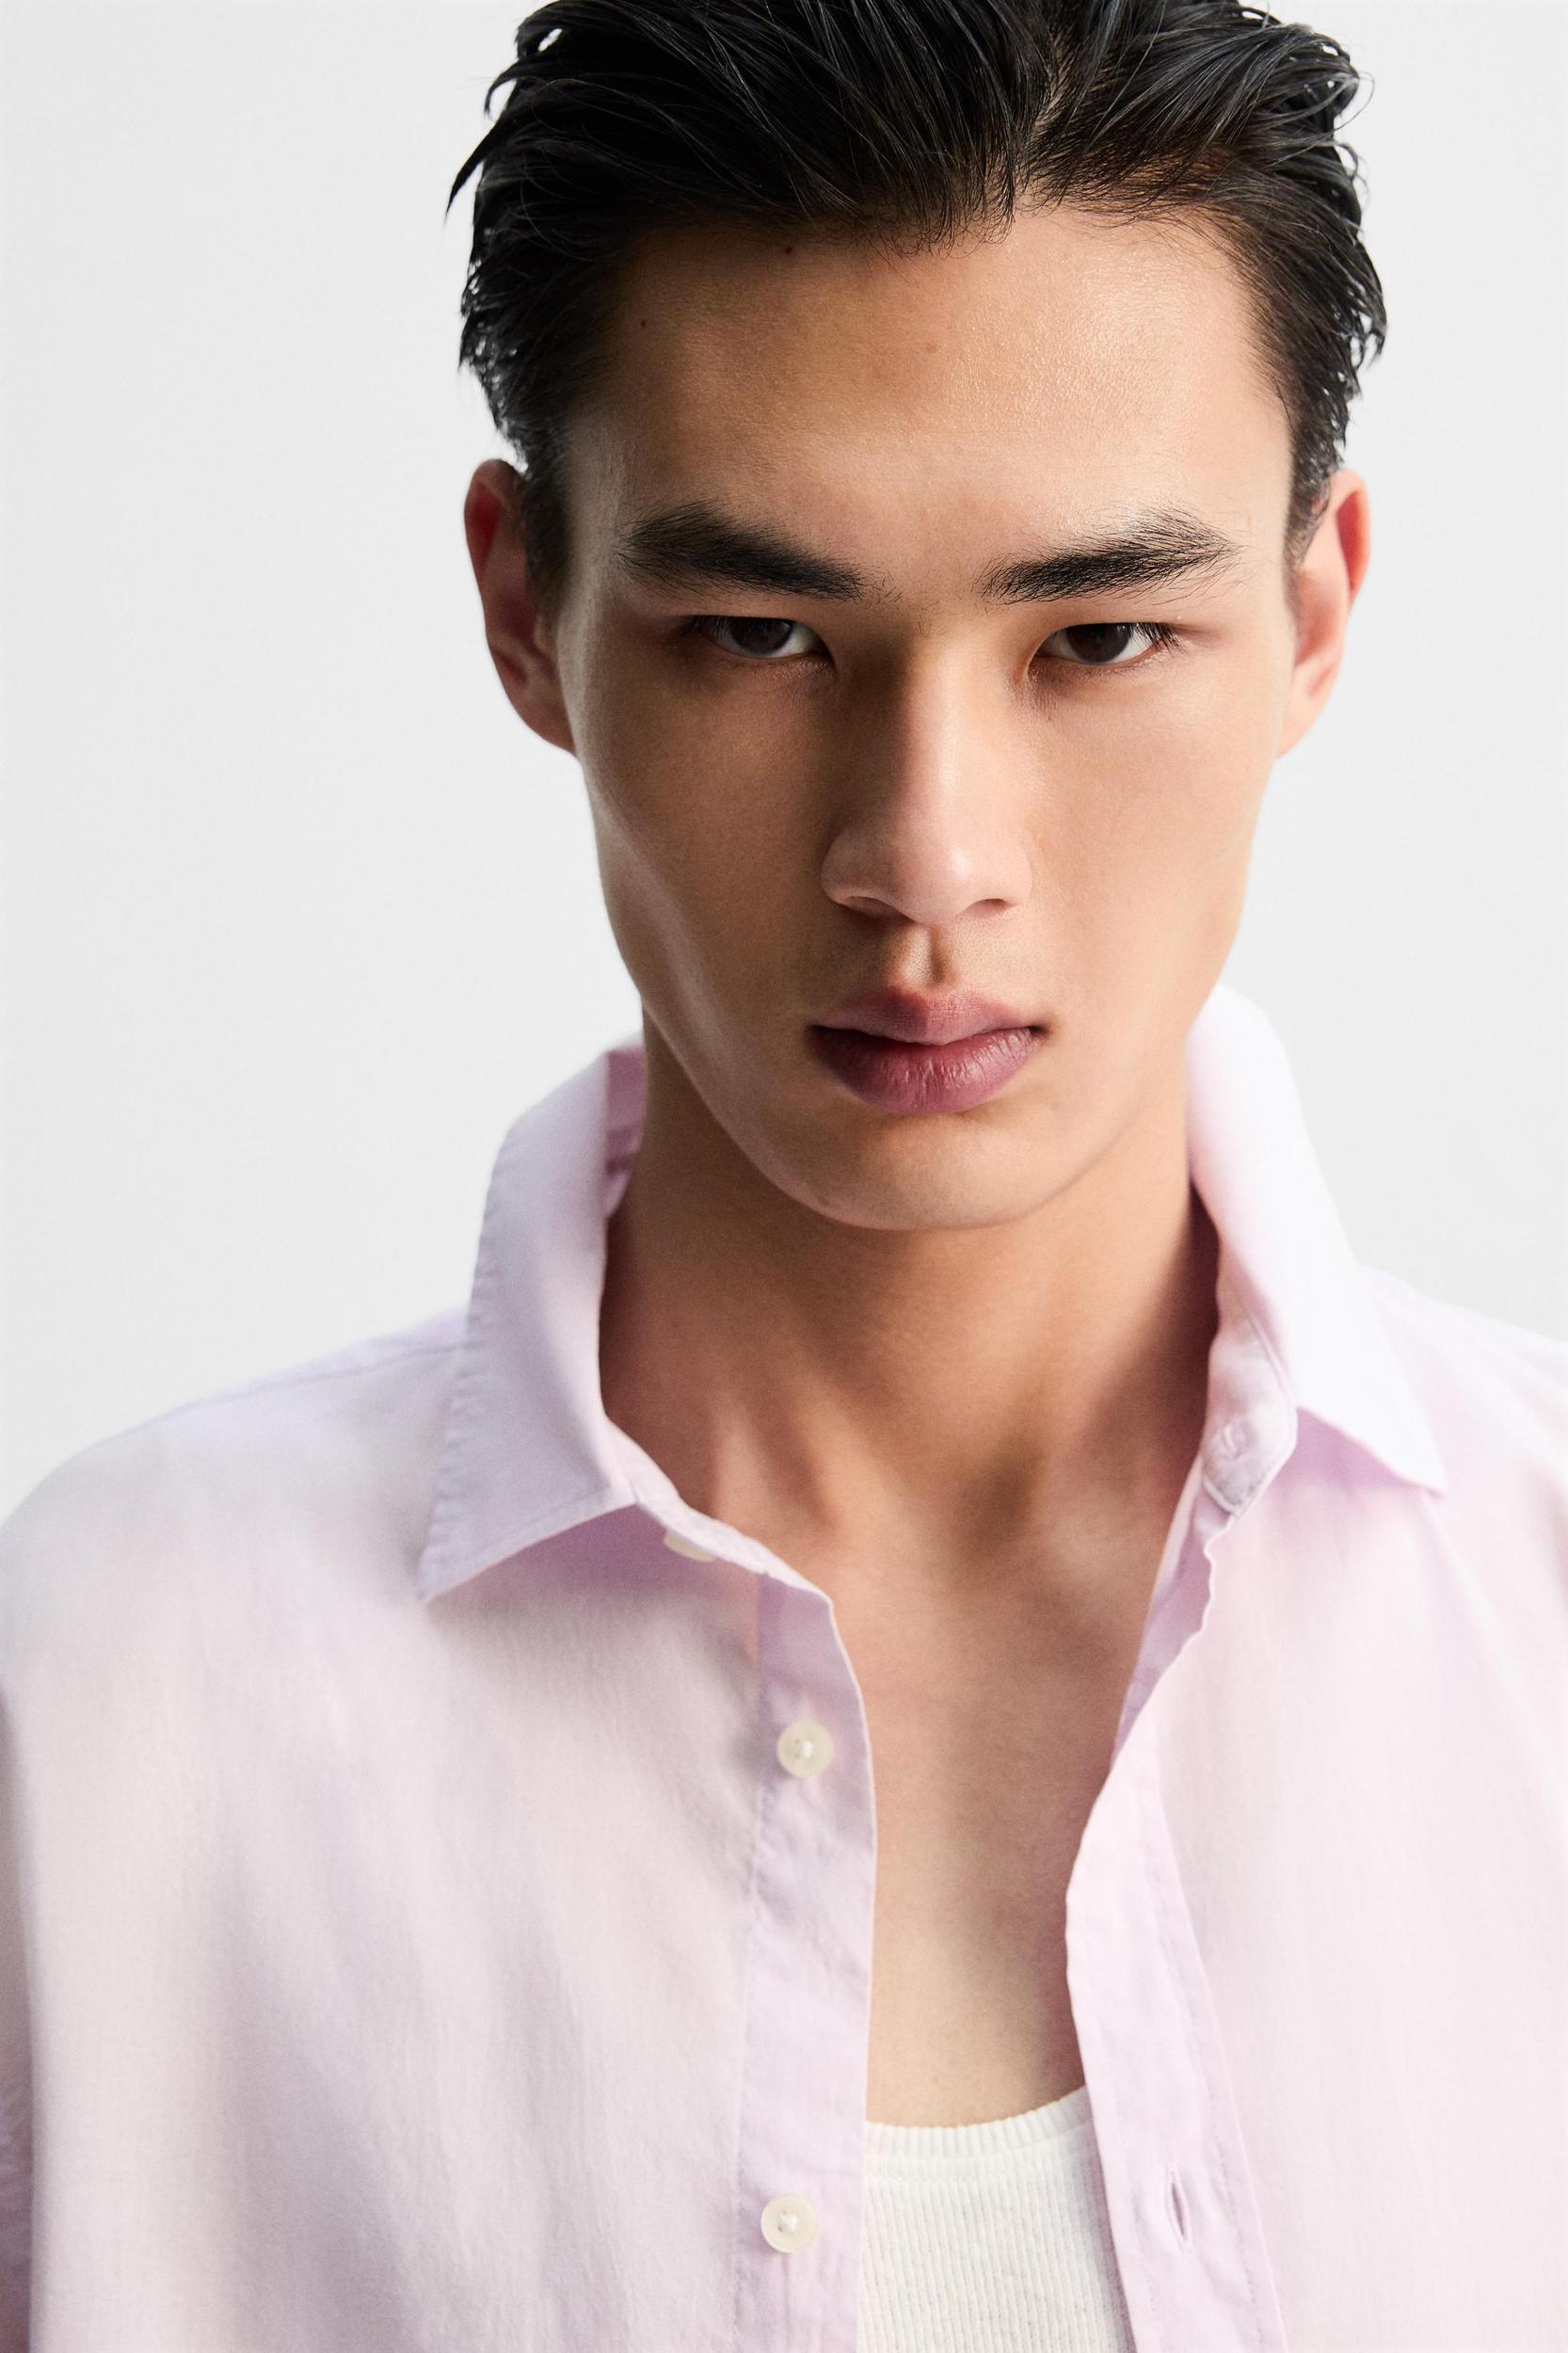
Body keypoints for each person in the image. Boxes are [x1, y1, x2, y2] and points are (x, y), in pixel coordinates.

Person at [1, 1, 1563, 2346]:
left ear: (1311, 613)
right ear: (524, 611)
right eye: (758, 633)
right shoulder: (105, 1686)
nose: (923, 857)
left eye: (1098, 635)